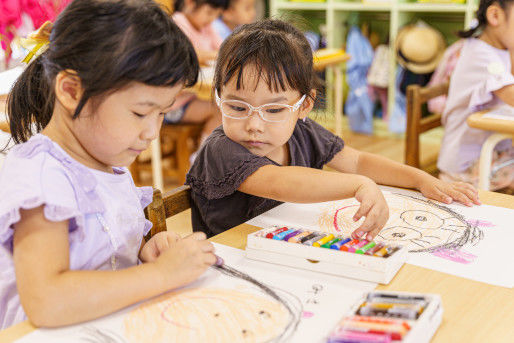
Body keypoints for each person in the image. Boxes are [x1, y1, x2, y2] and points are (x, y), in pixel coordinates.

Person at [0, 0, 216, 330]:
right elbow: (47, 301)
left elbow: (105, 249)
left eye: (161, 114)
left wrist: (147, 249)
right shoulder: (42, 178)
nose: (152, 132)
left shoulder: (104, 164)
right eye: (140, 113)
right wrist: (159, 275)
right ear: (72, 91)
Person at [186, 19, 481, 238]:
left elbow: (356, 161)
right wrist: (358, 184)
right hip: (232, 264)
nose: (253, 125)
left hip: (283, 253)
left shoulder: (302, 131)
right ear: (218, 97)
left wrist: (419, 179)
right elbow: (279, 181)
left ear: (304, 105)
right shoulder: (221, 149)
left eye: (274, 109)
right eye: (237, 107)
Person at [438, 0, 514, 190]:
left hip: (489, 151)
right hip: (466, 167)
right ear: (495, 16)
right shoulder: (481, 54)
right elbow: (510, 94)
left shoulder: (498, 48)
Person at [166, 0, 230, 141]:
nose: (212, 19)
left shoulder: (207, 27)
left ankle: (205, 154)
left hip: (193, 98)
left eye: (216, 15)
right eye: (208, 13)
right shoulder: (177, 23)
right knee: (221, 111)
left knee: (227, 107)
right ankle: (203, 157)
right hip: (172, 105)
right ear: (190, 3)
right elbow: (190, 54)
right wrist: (215, 54)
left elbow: (224, 50)